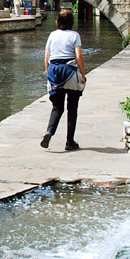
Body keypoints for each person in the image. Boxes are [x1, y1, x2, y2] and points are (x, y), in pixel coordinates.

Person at [40, 8, 87, 152]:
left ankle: (49, 132)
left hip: (54, 71)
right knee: (72, 108)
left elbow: (46, 58)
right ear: (72, 22)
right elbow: (78, 56)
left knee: (57, 107)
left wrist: (49, 73)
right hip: (70, 71)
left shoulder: (52, 35)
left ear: (58, 21)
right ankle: (69, 141)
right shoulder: (74, 35)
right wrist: (83, 74)